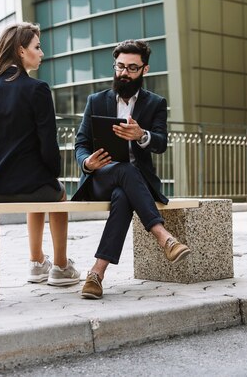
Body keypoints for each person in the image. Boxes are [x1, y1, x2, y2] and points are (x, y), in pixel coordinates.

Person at [72, 39, 190, 299]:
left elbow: (160, 143)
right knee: (123, 171)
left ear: (144, 70)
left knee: (124, 194)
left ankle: (96, 274)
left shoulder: (155, 103)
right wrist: (87, 163)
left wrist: (141, 135)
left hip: (134, 185)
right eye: (120, 66)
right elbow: (80, 144)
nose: (124, 73)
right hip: (101, 178)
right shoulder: (96, 101)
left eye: (132, 68)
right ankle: (163, 237)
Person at [0, 22, 80, 287]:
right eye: (37, 47)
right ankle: (61, 267)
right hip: (32, 186)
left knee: (40, 188)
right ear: (21, 50)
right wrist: (52, 176)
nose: (41, 53)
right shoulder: (37, 89)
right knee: (55, 192)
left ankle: (37, 263)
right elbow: (48, 148)